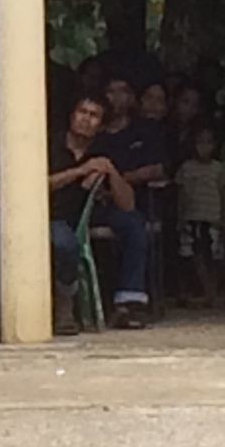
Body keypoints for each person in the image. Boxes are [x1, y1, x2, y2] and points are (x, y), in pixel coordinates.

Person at [50, 94, 147, 332]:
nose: (86, 119)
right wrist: (79, 172)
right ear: (72, 115)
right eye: (83, 112)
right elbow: (34, 185)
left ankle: (128, 303)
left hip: (90, 211)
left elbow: (128, 203)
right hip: (54, 213)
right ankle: (65, 306)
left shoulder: (104, 149)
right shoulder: (49, 144)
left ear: (101, 125)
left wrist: (110, 171)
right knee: (65, 243)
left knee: (133, 223)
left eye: (94, 116)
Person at [175, 125, 225, 308]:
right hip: (192, 218)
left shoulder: (220, 169)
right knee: (195, 255)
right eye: (200, 142)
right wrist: (180, 216)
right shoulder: (186, 168)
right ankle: (206, 292)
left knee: (215, 257)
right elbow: (181, 194)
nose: (204, 147)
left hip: (213, 218)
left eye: (209, 142)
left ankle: (212, 290)